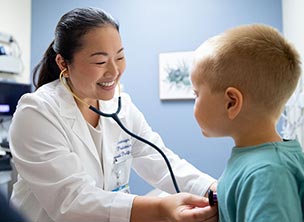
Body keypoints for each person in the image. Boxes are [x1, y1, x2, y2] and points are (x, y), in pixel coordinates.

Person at [8, 7, 218, 222]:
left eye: (120, 57)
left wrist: (213, 189)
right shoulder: (37, 112)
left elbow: (159, 160)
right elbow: (71, 201)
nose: (114, 71)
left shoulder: (120, 105)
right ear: (63, 63)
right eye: (100, 61)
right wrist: (159, 208)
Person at [190, 24, 304, 221]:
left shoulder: (267, 173)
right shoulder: (254, 158)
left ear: (231, 102)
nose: (194, 100)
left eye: (196, 93)